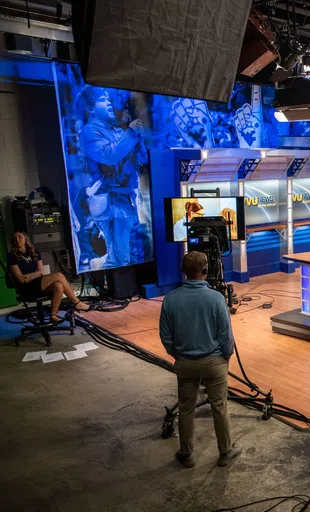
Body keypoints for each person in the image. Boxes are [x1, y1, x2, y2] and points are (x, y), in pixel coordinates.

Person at [159, 251, 242, 469]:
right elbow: (226, 335)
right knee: (219, 406)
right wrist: (225, 357)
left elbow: (165, 336)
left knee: (186, 408)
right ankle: (225, 451)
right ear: (206, 270)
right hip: (214, 362)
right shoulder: (215, 299)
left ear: (183, 272)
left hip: (184, 363)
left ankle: (186, 454)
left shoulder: (170, 300)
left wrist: (178, 354)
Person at [78, 85, 146, 268]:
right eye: (102, 100)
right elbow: (108, 155)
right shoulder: (90, 131)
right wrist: (131, 133)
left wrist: (138, 138)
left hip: (126, 196)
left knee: (123, 255)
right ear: (91, 107)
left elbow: (139, 161)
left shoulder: (115, 130)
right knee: (121, 257)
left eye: (108, 99)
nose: (108, 103)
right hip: (110, 199)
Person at [6, 232, 90, 322]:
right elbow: (21, 279)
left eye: (19, 237)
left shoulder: (35, 252)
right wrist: (35, 274)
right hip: (25, 288)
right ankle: (77, 302)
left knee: (58, 285)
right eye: (15, 238)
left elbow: (41, 272)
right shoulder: (11, 256)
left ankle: (53, 315)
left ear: (25, 238)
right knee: (59, 275)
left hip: (36, 282)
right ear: (12, 242)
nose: (17, 239)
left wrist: (29, 275)